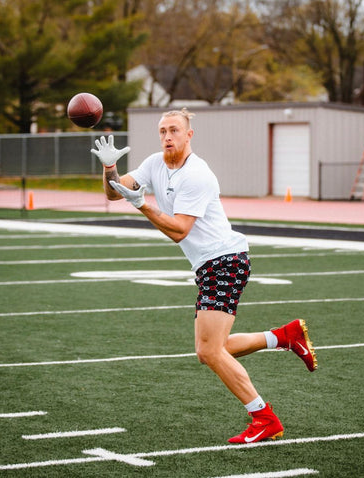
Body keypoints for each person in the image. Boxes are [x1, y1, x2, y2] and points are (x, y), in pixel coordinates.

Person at [91, 108, 317, 444]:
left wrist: (142, 205)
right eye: (163, 131)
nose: (168, 137)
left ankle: (264, 417)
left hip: (224, 262)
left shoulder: (197, 174)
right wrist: (110, 169)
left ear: (189, 135)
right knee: (214, 348)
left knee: (210, 351)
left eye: (174, 131)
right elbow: (114, 193)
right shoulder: (156, 163)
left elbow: (180, 230)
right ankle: (284, 336)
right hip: (212, 264)